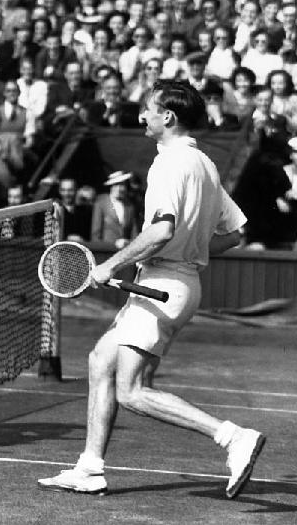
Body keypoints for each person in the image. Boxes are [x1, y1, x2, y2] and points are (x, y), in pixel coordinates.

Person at [37, 80, 264, 499]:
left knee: (133, 390)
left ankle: (232, 436)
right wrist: (190, 254)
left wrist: (110, 265)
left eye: (147, 109)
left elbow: (161, 230)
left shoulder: (168, 164)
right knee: (100, 360)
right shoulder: (206, 165)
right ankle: (90, 467)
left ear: (168, 117)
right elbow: (235, 234)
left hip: (164, 282)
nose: (141, 116)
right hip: (173, 281)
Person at [90, 170, 140, 248]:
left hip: (125, 252)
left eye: (122, 185)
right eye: (116, 185)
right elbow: (95, 234)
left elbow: (134, 233)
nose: (119, 189)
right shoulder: (101, 204)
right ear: (111, 186)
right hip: (106, 251)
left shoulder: (130, 206)